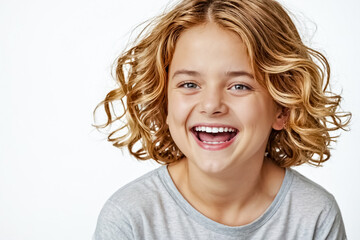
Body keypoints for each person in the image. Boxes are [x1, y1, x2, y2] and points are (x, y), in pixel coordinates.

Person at [93, 0, 351, 239]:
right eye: (190, 83)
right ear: (164, 104)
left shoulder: (314, 216)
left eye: (239, 86)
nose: (211, 105)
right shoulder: (129, 218)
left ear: (282, 108)